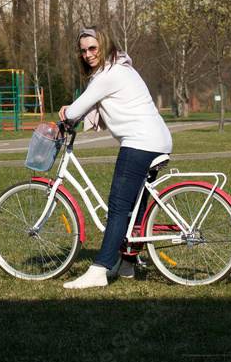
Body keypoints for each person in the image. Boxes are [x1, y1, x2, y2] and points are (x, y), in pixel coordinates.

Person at [58, 26, 172, 289]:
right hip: (156, 140)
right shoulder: (119, 68)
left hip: (140, 143)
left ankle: (99, 270)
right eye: (83, 50)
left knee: (119, 207)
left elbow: (77, 109)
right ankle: (127, 264)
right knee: (135, 209)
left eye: (93, 48)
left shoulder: (109, 74)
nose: (87, 54)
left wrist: (66, 112)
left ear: (105, 45)